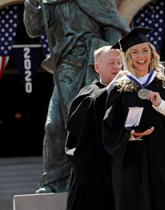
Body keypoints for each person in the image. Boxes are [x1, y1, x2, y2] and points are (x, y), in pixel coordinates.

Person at [23, 0, 130, 192]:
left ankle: (103, 174)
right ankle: (53, 182)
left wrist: (110, 61)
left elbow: (113, 26)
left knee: (94, 122)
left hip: (94, 64)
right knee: (54, 124)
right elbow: (33, 28)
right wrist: (31, 4)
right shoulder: (49, 2)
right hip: (66, 66)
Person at [102, 27, 165, 210]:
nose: (141, 56)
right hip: (131, 163)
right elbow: (108, 128)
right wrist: (130, 135)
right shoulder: (118, 88)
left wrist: (162, 106)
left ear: (152, 54)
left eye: (145, 50)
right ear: (128, 57)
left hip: (163, 161)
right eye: (135, 52)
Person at [65, 46, 124, 210]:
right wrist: (113, 88)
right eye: (111, 62)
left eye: (120, 62)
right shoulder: (88, 94)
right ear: (97, 67)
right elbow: (77, 127)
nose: (117, 67)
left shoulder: (126, 94)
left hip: (119, 175)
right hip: (91, 179)